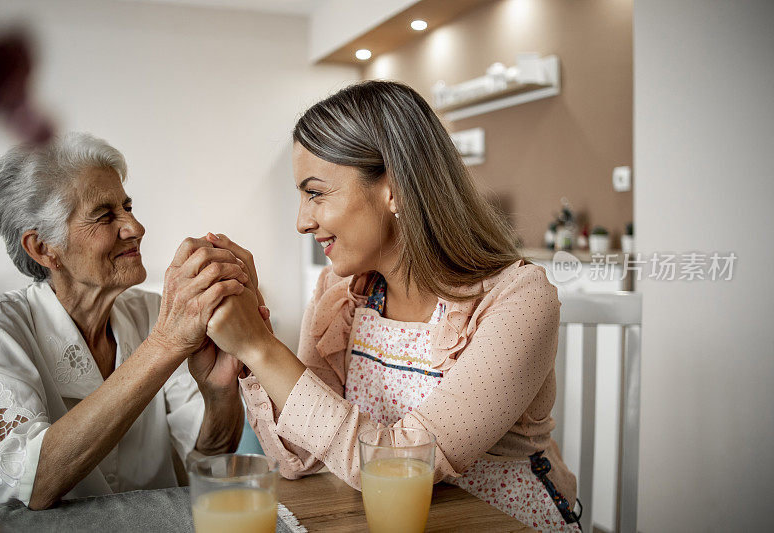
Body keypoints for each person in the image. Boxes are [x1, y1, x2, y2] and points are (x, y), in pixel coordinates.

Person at [205, 81, 581, 532]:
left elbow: (400, 464)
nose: (302, 221)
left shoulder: (519, 298)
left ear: (394, 188)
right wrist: (249, 341)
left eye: (316, 193)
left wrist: (262, 348)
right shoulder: (339, 293)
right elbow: (298, 457)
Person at [0, 133, 254, 509]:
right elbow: (32, 483)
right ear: (43, 248)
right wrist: (166, 345)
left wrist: (220, 394)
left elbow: (204, 465)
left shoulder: (153, 313)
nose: (135, 227)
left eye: (127, 206)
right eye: (105, 216)